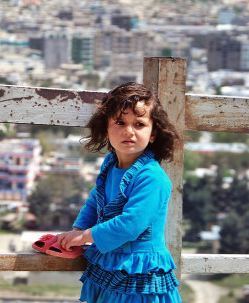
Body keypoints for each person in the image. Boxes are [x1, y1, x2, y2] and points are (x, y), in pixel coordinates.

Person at [56, 82, 182, 303]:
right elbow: (96, 201)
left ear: (153, 133)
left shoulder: (152, 177)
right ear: (106, 129)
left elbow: (131, 224)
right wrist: (77, 229)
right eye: (120, 122)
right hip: (111, 265)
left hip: (141, 276)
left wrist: (84, 237)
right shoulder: (110, 164)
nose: (129, 131)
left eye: (140, 124)